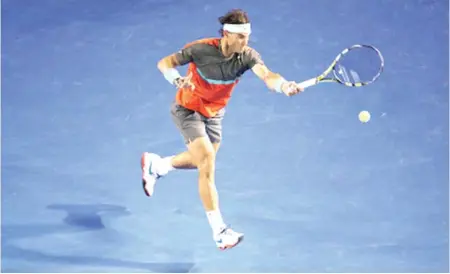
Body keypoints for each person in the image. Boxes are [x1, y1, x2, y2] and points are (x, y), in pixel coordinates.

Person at [140, 8, 303, 250]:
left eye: (247, 36)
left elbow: (267, 75)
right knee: (206, 161)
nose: (245, 41)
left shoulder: (247, 56)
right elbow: (164, 63)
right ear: (226, 34)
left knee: (200, 160)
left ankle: (158, 165)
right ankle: (220, 231)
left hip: (214, 114)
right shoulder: (201, 49)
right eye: (240, 37)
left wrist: (283, 86)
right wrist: (176, 79)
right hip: (188, 109)